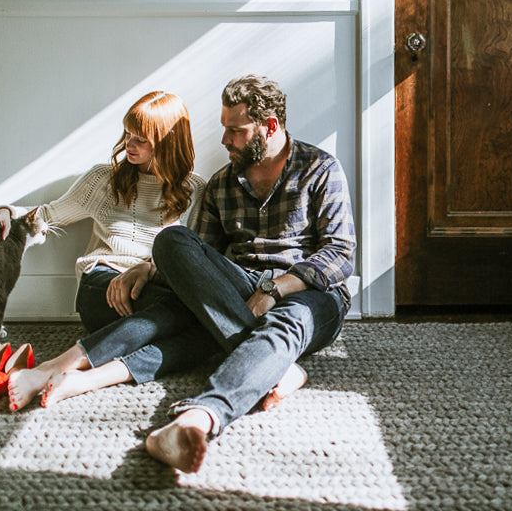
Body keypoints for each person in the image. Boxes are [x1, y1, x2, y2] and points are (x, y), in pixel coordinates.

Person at [141, 74, 357, 473]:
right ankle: (282, 367)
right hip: (241, 289)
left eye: (235, 131)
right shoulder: (222, 183)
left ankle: (197, 418)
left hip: (308, 293)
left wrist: (276, 288)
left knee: (289, 320)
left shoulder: (320, 168)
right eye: (225, 129)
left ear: (270, 126)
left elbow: (341, 255)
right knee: (172, 240)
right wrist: (145, 269)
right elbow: (196, 260)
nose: (224, 140)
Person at [0, 91, 208, 409]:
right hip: (103, 286)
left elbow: (193, 256)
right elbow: (49, 213)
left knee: (196, 331)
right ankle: (52, 368)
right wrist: (6, 210)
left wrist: (150, 269)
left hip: (156, 289)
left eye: (140, 139)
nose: (129, 144)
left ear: (168, 142)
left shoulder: (194, 190)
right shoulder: (104, 180)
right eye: (127, 134)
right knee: (190, 320)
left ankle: (75, 378)